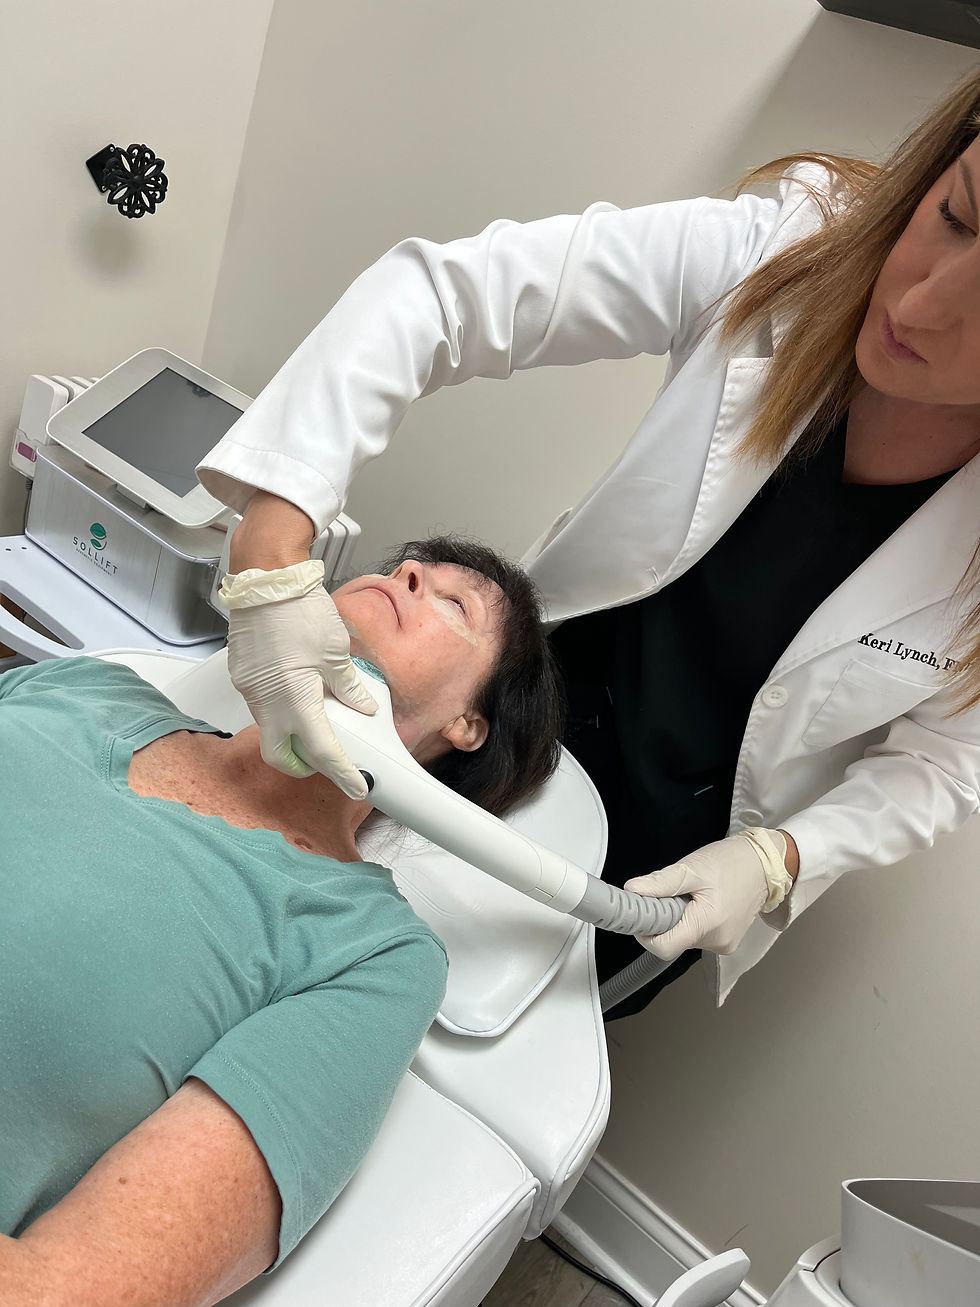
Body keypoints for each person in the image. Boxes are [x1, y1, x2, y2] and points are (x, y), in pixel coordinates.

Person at [197, 67, 980, 1016]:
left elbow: (945, 763)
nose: (921, 306)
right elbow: (445, 296)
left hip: (667, 871)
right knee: (260, 947)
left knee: (433, 1030)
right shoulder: (784, 250)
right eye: (957, 215)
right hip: (505, 735)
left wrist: (781, 857)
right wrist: (270, 553)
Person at [0, 536, 562, 1306]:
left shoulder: (370, 954)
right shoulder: (88, 686)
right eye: (404, 569)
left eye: (453, 602)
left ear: (469, 723)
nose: (405, 574)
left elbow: (69, 1293)